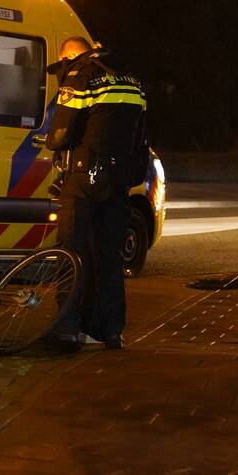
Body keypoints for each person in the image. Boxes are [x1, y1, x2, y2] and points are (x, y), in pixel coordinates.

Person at [44, 36, 147, 351]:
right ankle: (111, 330)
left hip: (84, 175)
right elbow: (140, 135)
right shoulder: (133, 81)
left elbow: (61, 132)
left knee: (70, 252)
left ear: (72, 55)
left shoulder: (80, 76)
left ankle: (66, 329)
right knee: (109, 256)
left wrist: (51, 144)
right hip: (119, 179)